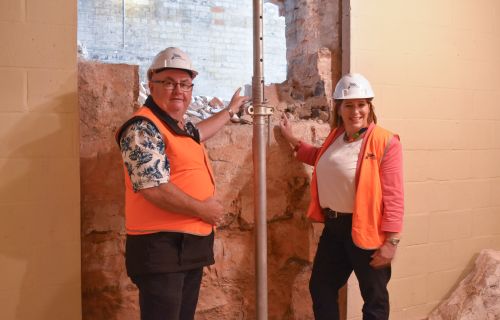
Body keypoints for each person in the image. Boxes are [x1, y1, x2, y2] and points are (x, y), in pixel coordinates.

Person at [115, 47, 248, 320]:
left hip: (186, 246)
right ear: (151, 85)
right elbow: (153, 187)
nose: (179, 90)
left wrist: (230, 111)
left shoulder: (178, 126)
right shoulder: (142, 127)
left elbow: (200, 133)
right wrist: (203, 210)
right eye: (169, 83)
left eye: (185, 84)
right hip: (161, 248)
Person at [280, 73, 404, 320]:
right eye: (349, 105)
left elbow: (394, 195)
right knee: (321, 287)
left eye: (361, 104)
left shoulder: (385, 142)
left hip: (367, 229)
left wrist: (391, 242)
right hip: (335, 227)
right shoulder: (337, 136)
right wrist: (292, 139)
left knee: (374, 299)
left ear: (369, 107)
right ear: (339, 108)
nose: (355, 111)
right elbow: (322, 159)